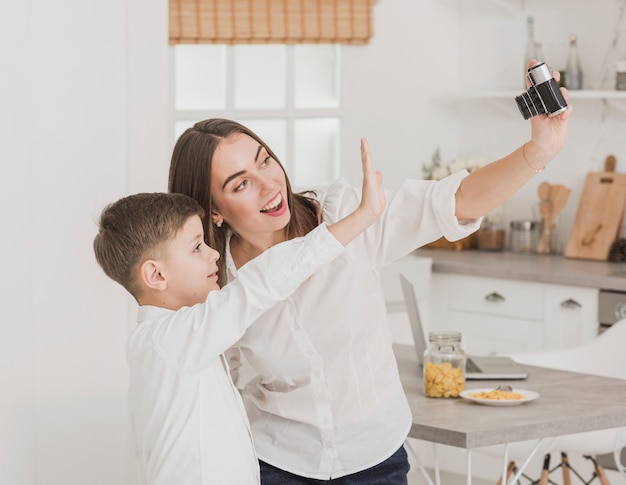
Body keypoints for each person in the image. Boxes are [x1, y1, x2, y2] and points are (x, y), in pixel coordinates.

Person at [168, 61, 573, 484]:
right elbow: (210, 387)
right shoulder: (214, 280)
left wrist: (540, 150)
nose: (270, 185)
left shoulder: (347, 214)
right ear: (212, 210)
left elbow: (455, 202)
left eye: (265, 161)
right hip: (277, 461)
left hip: (375, 459)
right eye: (240, 184)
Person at [91, 143, 385, 485]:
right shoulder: (172, 340)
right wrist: (363, 215)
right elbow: (261, 284)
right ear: (156, 275)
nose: (213, 255)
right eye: (197, 247)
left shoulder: (169, 342)